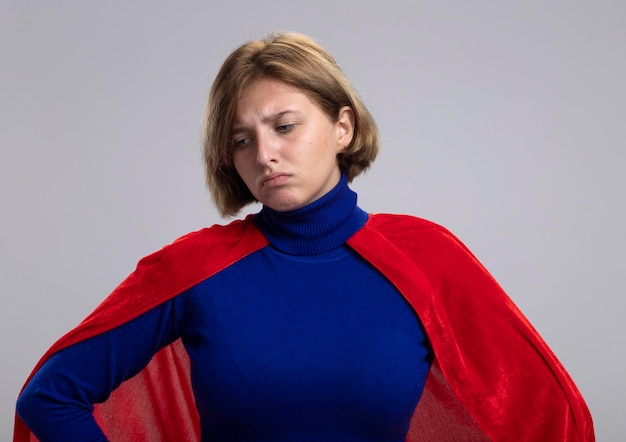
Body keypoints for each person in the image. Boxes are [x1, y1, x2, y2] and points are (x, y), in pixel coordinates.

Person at [14, 31, 594, 441]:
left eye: (284, 126)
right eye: (241, 140)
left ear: (342, 127)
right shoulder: (197, 268)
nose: (264, 154)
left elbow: (552, 420)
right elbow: (48, 396)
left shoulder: (425, 257)